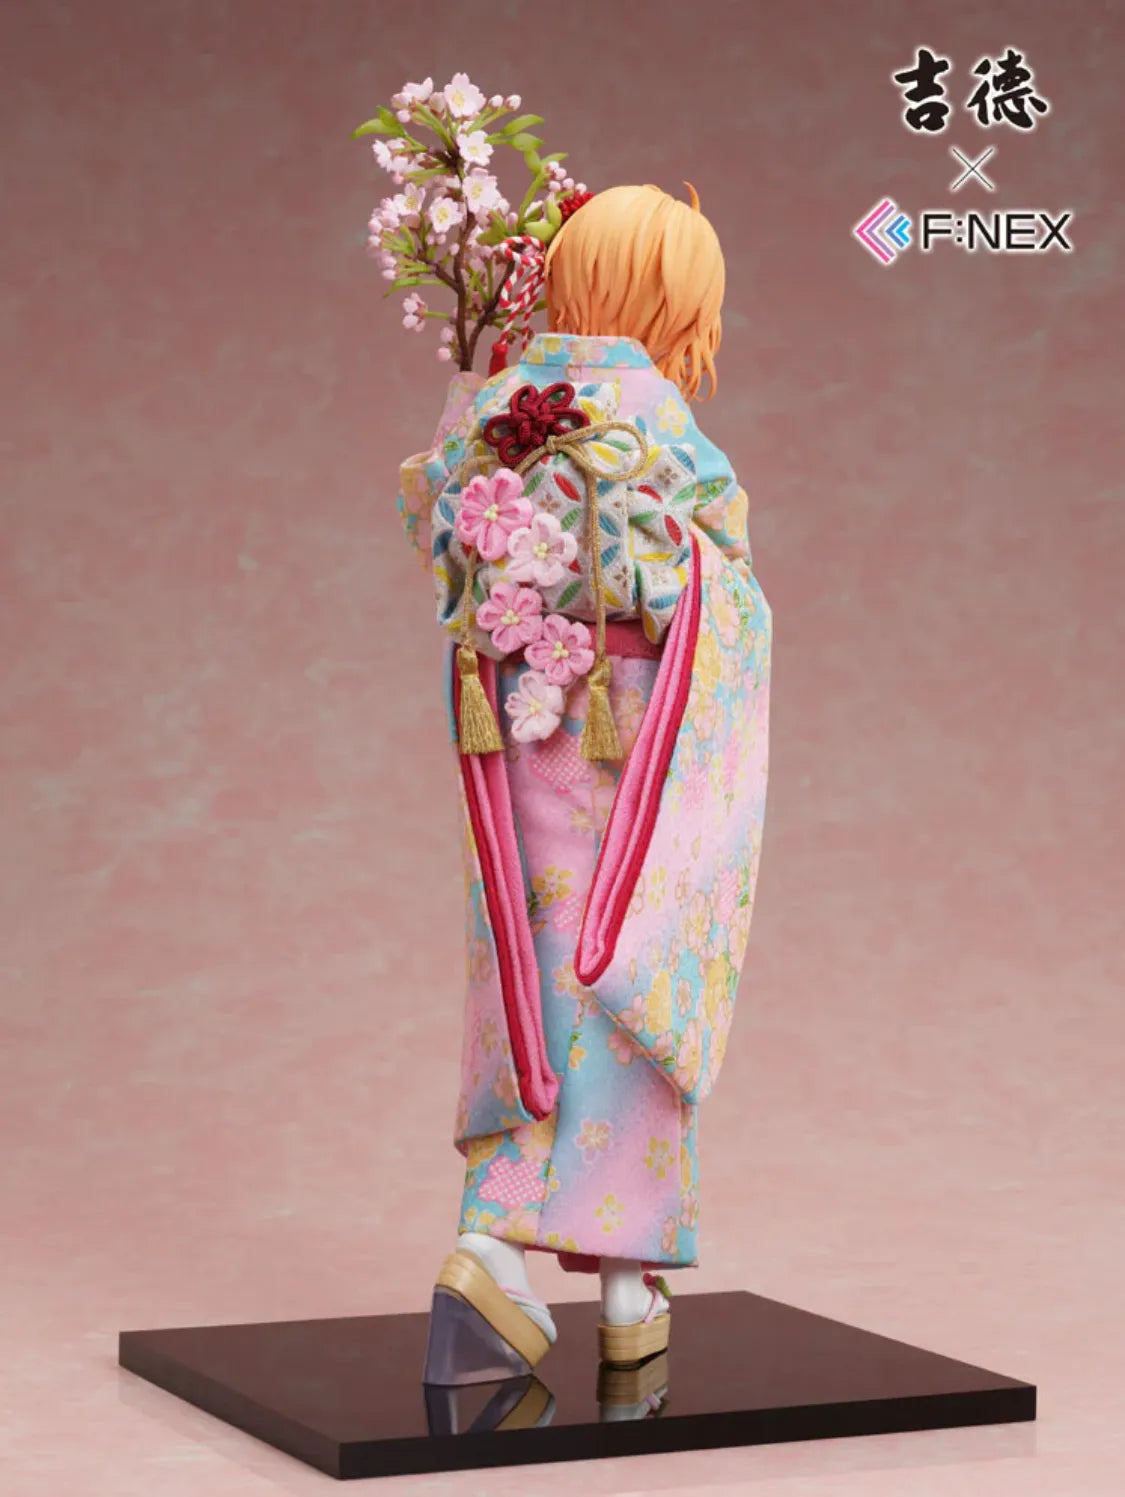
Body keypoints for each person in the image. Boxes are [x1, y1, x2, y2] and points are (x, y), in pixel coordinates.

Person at [396, 184, 772, 1381]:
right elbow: (719, 562)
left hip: (515, 715)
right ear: (665, 297)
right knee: (632, 960)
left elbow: (434, 529)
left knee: (530, 959)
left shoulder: (495, 407)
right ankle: (616, 1282)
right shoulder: (656, 414)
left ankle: (497, 1245)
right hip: (635, 724)